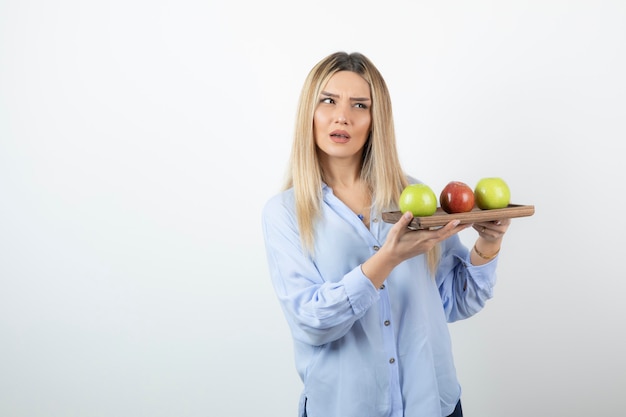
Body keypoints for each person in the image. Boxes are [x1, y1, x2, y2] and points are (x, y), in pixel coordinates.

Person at [261, 51, 511, 417]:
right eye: (328, 100)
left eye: (359, 105)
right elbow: (311, 322)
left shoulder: (414, 197)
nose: (342, 116)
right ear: (309, 113)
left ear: (375, 120)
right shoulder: (284, 213)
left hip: (434, 404)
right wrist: (386, 259)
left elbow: (452, 302)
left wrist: (489, 244)